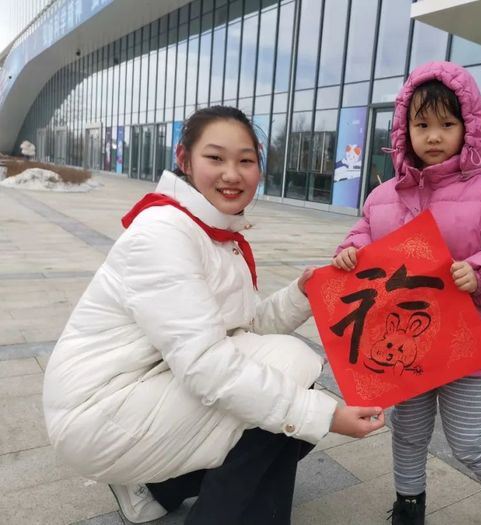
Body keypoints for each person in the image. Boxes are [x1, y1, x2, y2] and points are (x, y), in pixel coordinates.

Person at [43, 106, 384, 525]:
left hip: (139, 391)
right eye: (215, 158)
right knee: (290, 374)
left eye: (246, 161)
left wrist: (303, 293)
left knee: (281, 393)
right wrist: (324, 415)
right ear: (184, 160)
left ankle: (157, 489)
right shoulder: (165, 233)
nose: (232, 174)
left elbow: (244, 329)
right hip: (99, 410)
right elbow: (209, 365)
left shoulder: (216, 233)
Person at [332, 62, 481, 525]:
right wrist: (351, 251)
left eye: (447, 124)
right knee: (407, 431)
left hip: (467, 343)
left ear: (468, 128)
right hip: (405, 339)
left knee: (469, 439)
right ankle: (410, 503)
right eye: (422, 124)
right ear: (404, 129)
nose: (433, 136)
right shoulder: (383, 195)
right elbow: (366, 233)